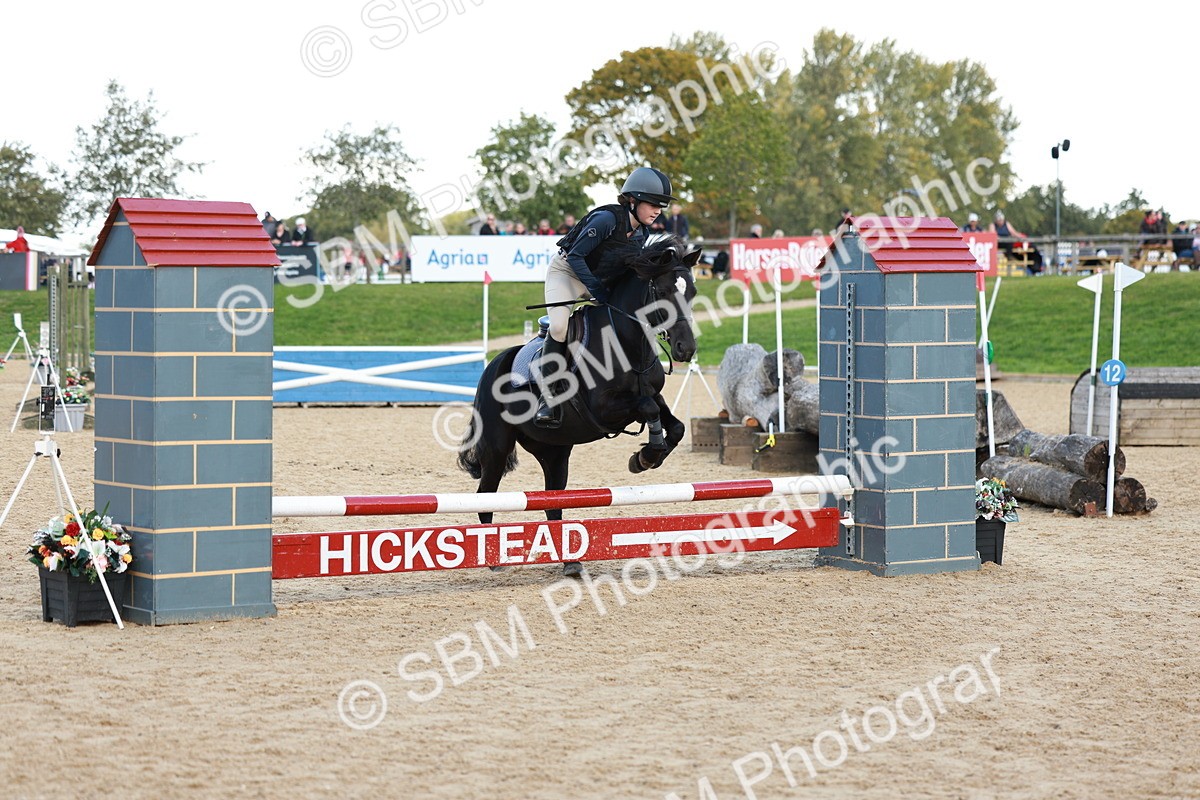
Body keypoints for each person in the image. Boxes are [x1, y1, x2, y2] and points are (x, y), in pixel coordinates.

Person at [533, 166, 675, 428]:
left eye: (661, 206)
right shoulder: (606, 220)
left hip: (599, 279)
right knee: (560, 327)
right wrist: (598, 291)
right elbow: (576, 257)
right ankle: (548, 397)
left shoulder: (642, 234)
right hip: (567, 273)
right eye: (653, 204)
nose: (658, 211)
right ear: (632, 200)